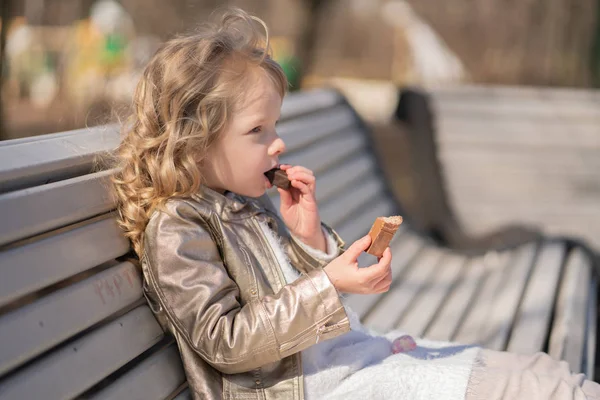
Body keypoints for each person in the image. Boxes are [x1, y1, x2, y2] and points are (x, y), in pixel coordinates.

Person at [110, 7, 600, 400]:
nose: (278, 144)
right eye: (258, 131)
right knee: (530, 389)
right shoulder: (177, 228)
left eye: (275, 127)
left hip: (337, 363)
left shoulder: (245, 201)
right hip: (310, 388)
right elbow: (227, 341)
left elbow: (293, 293)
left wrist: (307, 236)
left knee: (545, 372)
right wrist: (327, 283)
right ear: (196, 142)